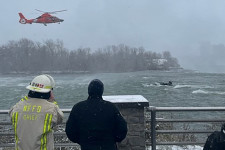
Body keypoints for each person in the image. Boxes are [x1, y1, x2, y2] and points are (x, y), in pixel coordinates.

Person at [65, 79, 127, 150]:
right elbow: (122, 128)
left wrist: (82, 141)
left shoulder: (78, 108)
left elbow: (70, 130)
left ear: (89, 91)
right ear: (102, 91)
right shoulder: (111, 107)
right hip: (108, 146)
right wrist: (112, 140)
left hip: (87, 147)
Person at [9, 74, 64, 150]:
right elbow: (60, 118)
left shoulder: (17, 107)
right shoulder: (51, 109)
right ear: (49, 92)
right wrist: (52, 101)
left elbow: (12, 114)